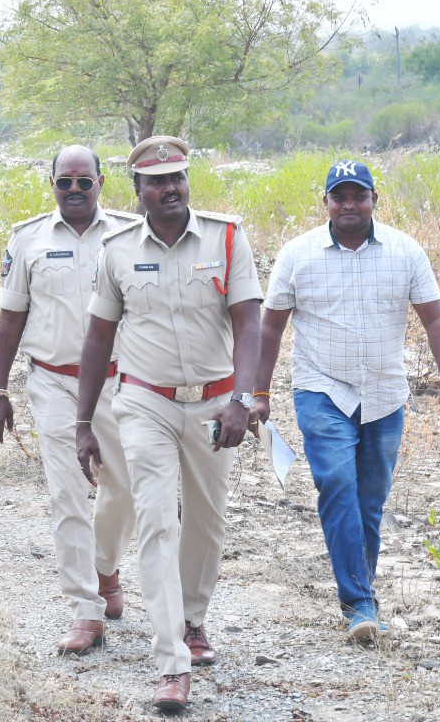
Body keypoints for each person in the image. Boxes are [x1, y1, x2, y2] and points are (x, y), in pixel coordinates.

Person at [76, 136, 263, 714]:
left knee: (206, 520)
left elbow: (249, 322)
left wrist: (243, 398)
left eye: (177, 177)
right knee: (157, 522)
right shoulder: (116, 250)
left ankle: (192, 617)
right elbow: (98, 337)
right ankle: (171, 661)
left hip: (213, 405)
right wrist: (83, 422)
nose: (170, 188)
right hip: (144, 402)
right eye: (156, 181)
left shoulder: (227, 236)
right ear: (137, 192)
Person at [254, 159, 440, 642]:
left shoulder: (406, 252)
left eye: (358, 195)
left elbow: (435, 318)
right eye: (339, 196)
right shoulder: (297, 254)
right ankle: (358, 602)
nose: (349, 205)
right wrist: (258, 394)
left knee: (370, 501)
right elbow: (270, 326)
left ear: (374, 199)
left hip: (385, 394)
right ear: (324, 202)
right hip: (321, 389)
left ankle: (361, 591)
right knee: (337, 486)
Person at [0, 145, 137, 656]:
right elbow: (10, 319)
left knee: (127, 487)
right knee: (67, 493)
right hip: (52, 382)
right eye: (64, 181)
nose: (74, 189)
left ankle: (106, 566)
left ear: (101, 181)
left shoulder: (129, 234)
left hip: (121, 383)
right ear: (51, 183)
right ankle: (85, 608)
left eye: (84, 181)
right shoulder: (27, 238)